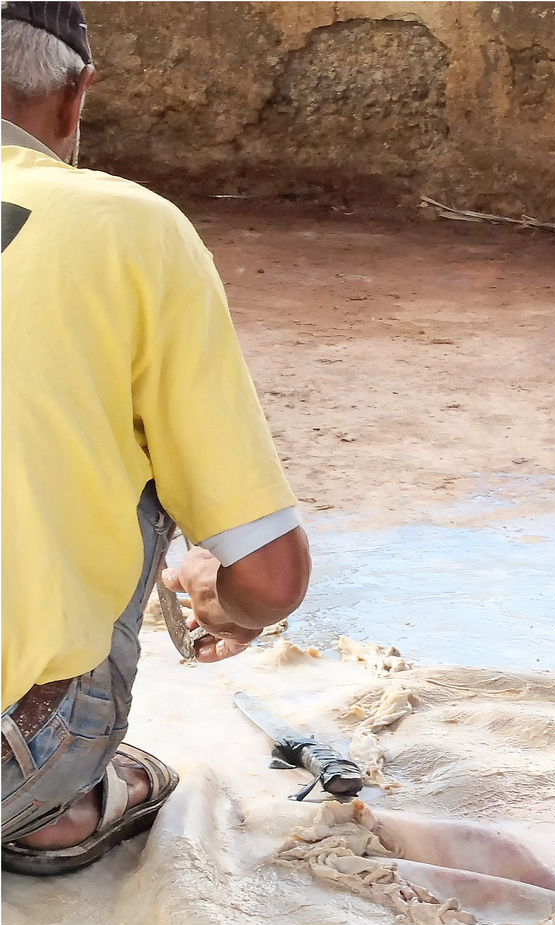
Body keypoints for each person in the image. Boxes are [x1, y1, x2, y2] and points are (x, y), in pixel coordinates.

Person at [1, 1, 311, 875]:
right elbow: (272, 580)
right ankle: (59, 802)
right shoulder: (127, 226)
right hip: (12, 760)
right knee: (122, 424)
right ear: (75, 98)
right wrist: (226, 596)